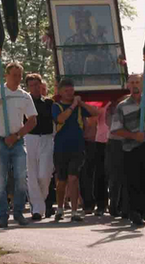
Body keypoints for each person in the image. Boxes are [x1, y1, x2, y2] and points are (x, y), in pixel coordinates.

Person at [0, 48, 38, 228]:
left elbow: (32, 121)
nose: (17, 78)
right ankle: (2, 216)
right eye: (14, 75)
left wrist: (17, 135)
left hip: (18, 142)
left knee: (21, 179)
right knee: (0, 181)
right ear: (6, 75)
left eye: (20, 75)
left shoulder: (24, 96)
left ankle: (19, 212)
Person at [110, 54, 145, 227]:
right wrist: (134, 135)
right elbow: (116, 130)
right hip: (130, 148)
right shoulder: (122, 106)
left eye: (138, 82)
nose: (134, 85)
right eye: (132, 83)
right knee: (132, 181)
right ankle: (134, 212)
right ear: (128, 85)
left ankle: (142, 212)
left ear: (143, 84)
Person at [52, 78, 101, 222]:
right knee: (62, 181)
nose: (69, 93)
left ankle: (74, 212)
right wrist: (73, 105)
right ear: (60, 92)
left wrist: (81, 103)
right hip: (61, 148)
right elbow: (60, 119)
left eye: (71, 90)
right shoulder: (56, 106)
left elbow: (95, 112)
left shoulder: (79, 107)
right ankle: (60, 208)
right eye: (66, 91)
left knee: (73, 178)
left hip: (78, 148)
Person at [25, 73, 55, 221]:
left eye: (37, 84)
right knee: (32, 175)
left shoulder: (49, 103)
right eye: (32, 85)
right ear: (28, 87)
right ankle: (37, 209)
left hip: (47, 139)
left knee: (44, 174)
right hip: (30, 138)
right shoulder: (25, 102)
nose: (35, 88)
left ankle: (38, 202)